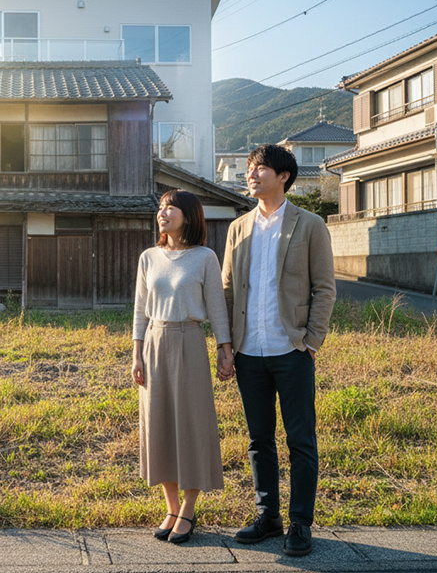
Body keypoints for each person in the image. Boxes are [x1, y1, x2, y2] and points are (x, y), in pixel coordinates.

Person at [219, 144, 336, 557]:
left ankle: (301, 523)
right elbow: (228, 290)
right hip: (250, 350)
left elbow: (325, 287)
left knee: (301, 439)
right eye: (250, 168)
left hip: (292, 348)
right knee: (258, 439)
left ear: (284, 176)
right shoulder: (239, 227)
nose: (251, 174)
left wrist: (310, 340)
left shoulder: (309, 225)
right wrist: (226, 346)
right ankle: (268, 516)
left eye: (260, 168)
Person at [132, 189, 234, 545]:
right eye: (161, 207)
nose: (163, 212)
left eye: (171, 207)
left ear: (188, 216)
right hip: (155, 344)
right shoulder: (149, 257)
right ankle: (171, 507)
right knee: (159, 425)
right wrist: (136, 353)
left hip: (190, 341)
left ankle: (189, 509)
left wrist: (225, 349)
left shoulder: (205, 257)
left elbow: (217, 307)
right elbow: (140, 309)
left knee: (190, 425)